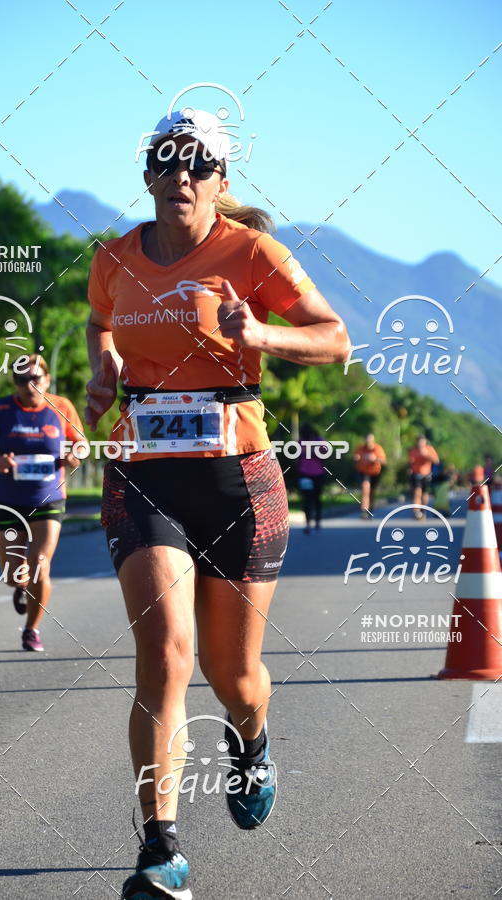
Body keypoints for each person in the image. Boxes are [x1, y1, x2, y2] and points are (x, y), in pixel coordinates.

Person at [85, 108, 351, 900]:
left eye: (198, 163)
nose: (180, 174)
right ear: (147, 174)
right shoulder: (114, 258)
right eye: (165, 159)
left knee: (231, 674)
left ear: (221, 181)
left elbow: (335, 338)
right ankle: (160, 848)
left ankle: (253, 740)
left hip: (238, 476)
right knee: (166, 653)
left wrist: (262, 337)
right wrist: (104, 373)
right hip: (144, 473)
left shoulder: (252, 253)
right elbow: (101, 325)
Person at [0, 354, 86, 652]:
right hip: (9, 500)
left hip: (48, 498)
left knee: (39, 564)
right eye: (22, 380)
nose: (29, 385)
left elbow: (81, 444)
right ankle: (21, 587)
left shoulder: (61, 407)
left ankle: (31, 629)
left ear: (47, 379)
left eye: (35, 378)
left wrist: (74, 456)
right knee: (13, 574)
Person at [297, 424, 328, 533]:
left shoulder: (320, 441)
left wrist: (313, 452)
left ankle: (317, 520)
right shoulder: (300, 442)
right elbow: (297, 456)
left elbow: (326, 453)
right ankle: (308, 523)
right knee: (307, 498)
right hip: (305, 474)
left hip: (318, 473)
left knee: (317, 498)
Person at [353, 433, 386, 518]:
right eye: (367, 440)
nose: (369, 442)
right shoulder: (361, 448)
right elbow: (356, 457)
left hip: (375, 473)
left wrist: (375, 459)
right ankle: (364, 511)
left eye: (370, 440)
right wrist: (357, 458)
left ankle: (370, 509)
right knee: (365, 489)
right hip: (363, 472)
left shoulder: (378, 448)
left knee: (371, 492)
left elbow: (384, 461)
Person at [408, 435, 439, 517]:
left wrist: (427, 455)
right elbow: (410, 462)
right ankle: (417, 512)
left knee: (424, 494)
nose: (420, 443)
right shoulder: (414, 450)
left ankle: (423, 510)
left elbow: (436, 461)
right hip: (416, 474)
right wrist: (410, 469)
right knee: (417, 492)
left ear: (425, 442)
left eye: (422, 441)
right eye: (419, 441)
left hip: (426, 474)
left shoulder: (429, 449)